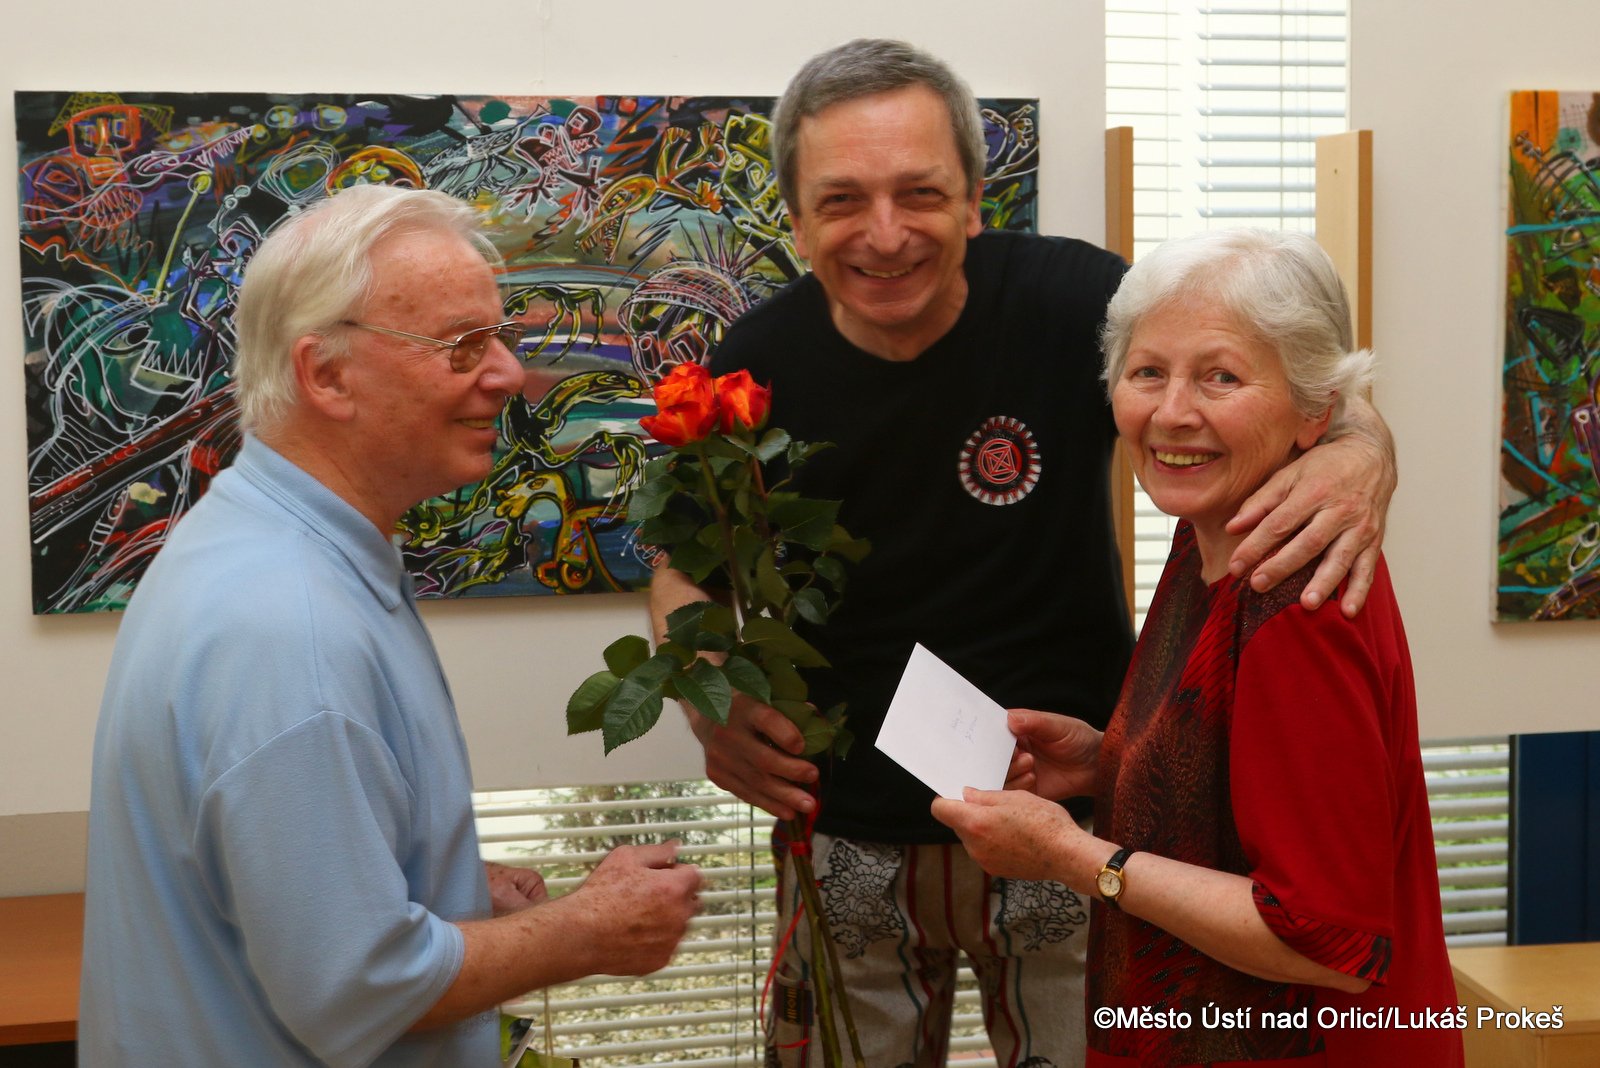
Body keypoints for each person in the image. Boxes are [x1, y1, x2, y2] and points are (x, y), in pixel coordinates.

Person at [649, 38, 1397, 1068]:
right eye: (842, 200)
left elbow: (1269, 370)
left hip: (1075, 821)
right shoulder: (755, 364)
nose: (885, 234)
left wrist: (1363, 448)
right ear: (795, 215)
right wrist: (705, 696)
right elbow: (682, 564)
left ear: (973, 199)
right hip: (847, 829)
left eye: (920, 192)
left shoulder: (1072, 300)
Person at [79, 184, 702, 1066]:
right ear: (327, 375)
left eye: (500, 337)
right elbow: (359, 989)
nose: (508, 375)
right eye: (463, 345)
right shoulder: (288, 630)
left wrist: (425, 883)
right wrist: (591, 929)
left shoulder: (257, 544)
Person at [934, 228, 1462, 1067]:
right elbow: (1242, 776)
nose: (1173, 412)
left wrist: (1072, 856)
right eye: (1148, 372)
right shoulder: (1211, 533)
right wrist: (1114, 760)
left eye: (1222, 377)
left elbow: (1325, 943)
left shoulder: (1297, 600)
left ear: (1314, 409)